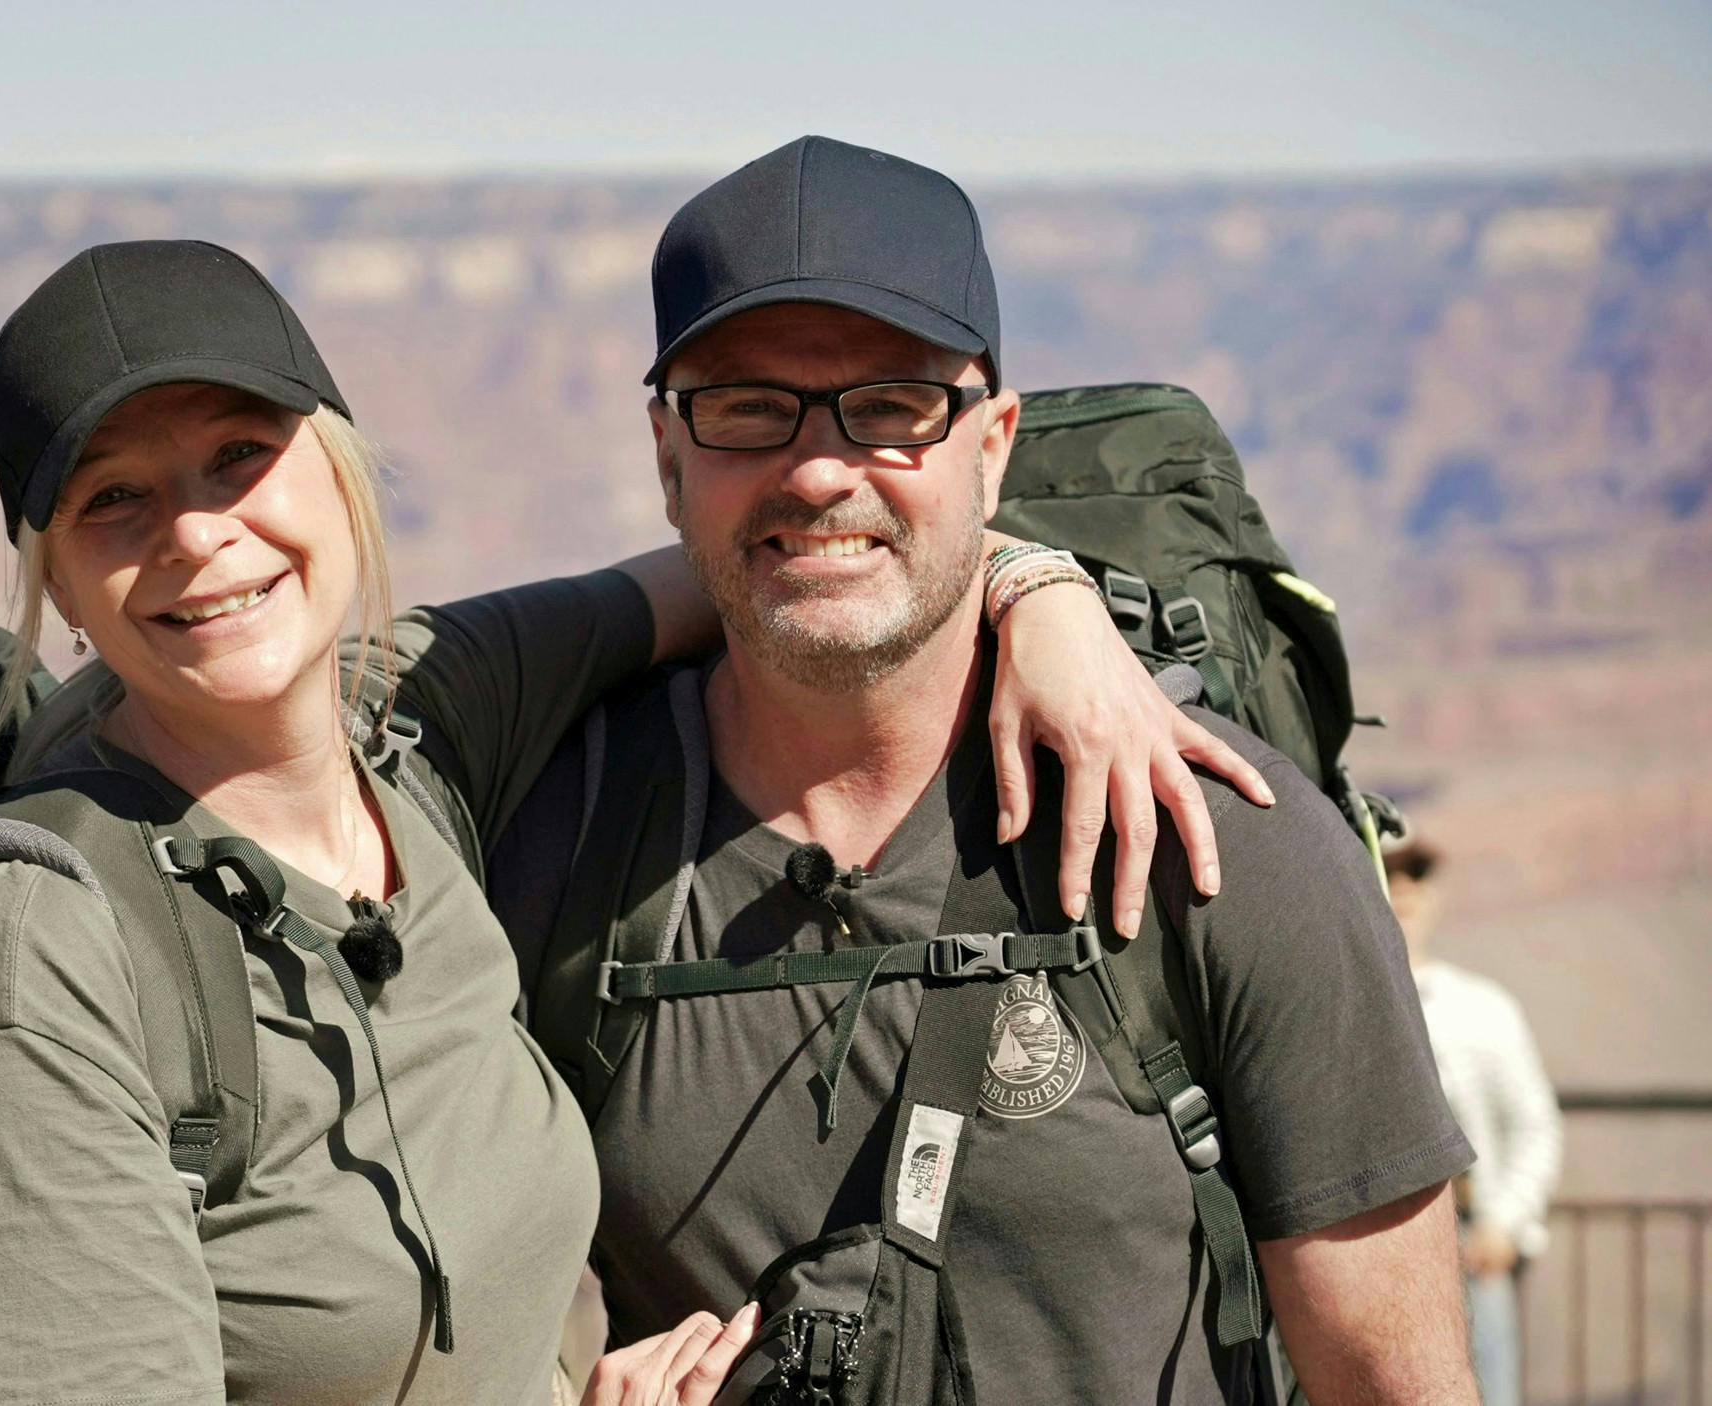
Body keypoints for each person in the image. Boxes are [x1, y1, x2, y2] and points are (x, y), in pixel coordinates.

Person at [0, 238, 1260, 1405]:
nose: (199, 534)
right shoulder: (42, 942)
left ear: (341, 468)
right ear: (58, 586)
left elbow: (768, 553)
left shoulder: (422, 723)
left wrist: (1039, 593)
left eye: (239, 456)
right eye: (113, 499)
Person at [494, 136, 1484, 1405]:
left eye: (892, 405)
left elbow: (1396, 1385)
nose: (817, 464)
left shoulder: (1220, 839)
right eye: (747, 406)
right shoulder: (555, 845)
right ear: (666, 455)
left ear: (993, 443)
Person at [1388, 834, 1561, 1406]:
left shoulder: (1484, 1008)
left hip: (1467, 1237)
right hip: (1374, 1242)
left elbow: (1534, 1125)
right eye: (1387, 872)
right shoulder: (1337, 1006)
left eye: (1416, 874)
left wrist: (1505, 1224)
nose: (1404, 888)